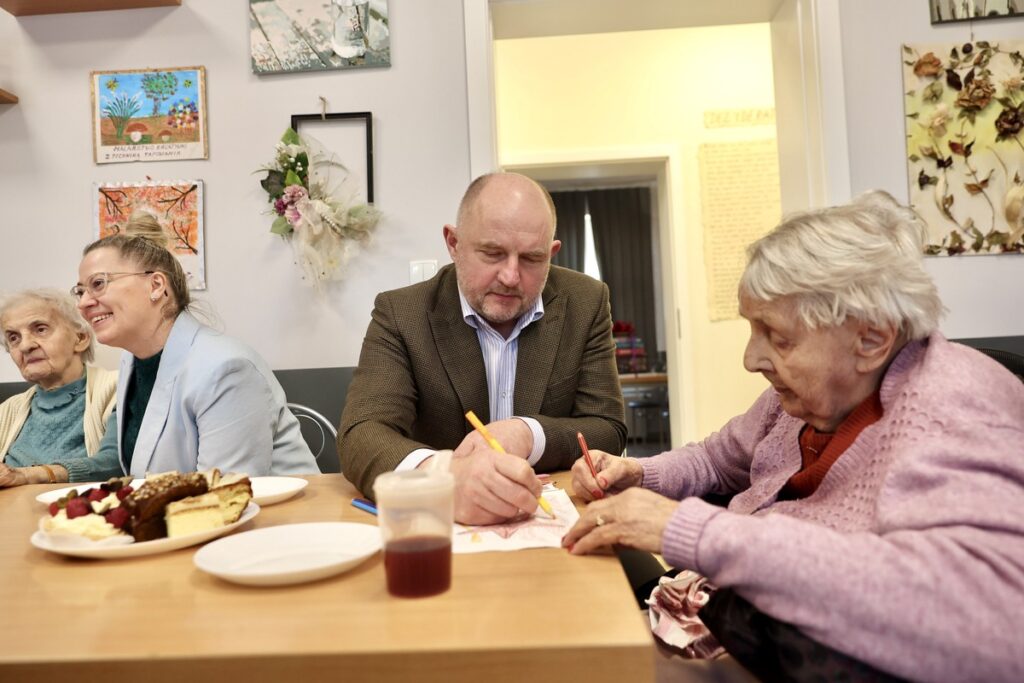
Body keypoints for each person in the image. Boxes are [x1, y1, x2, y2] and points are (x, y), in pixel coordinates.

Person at [563, 191, 1024, 682]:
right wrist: (638, 473)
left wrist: (693, 531)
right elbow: (719, 461)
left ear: (871, 339)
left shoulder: (954, 406)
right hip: (723, 617)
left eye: (778, 337)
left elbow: (996, 621)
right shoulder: (805, 399)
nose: (752, 359)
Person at [340, 172, 626, 524]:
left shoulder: (586, 302)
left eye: (531, 259)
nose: (510, 276)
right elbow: (362, 433)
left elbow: (608, 429)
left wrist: (528, 433)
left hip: (550, 527)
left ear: (551, 254)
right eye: (492, 253)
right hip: (440, 532)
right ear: (453, 243)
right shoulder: (402, 315)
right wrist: (443, 476)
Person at [73, 234, 318, 476]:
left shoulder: (226, 368)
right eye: (80, 291)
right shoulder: (132, 359)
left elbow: (225, 497)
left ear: (156, 286)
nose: (83, 304)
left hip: (276, 514)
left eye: (98, 284)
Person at [0, 289, 122, 486]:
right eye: (14, 338)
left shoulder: (118, 389)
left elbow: (116, 463)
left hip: (81, 513)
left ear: (80, 339)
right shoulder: (7, 410)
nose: (25, 346)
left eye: (40, 329)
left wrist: (28, 475)